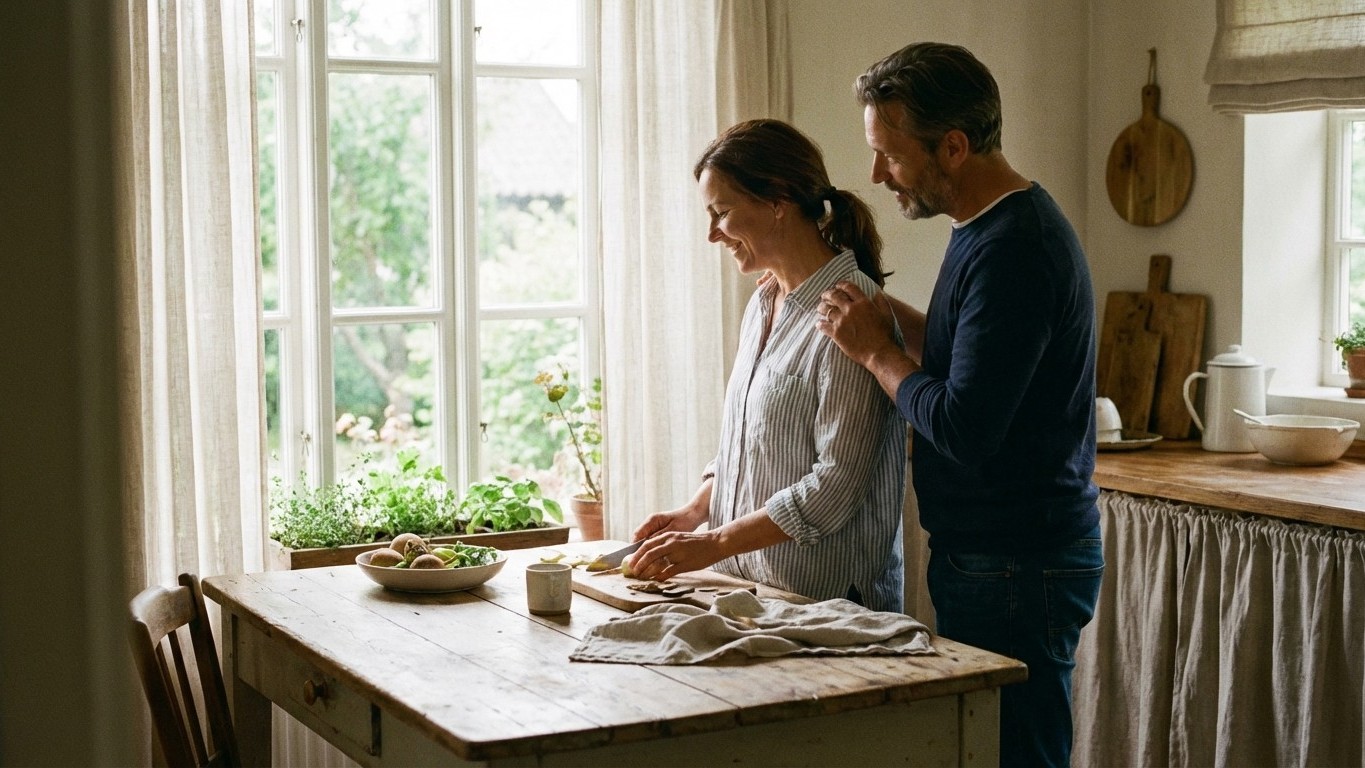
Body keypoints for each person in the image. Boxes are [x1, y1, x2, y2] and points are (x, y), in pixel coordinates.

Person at [816, 43, 1104, 767]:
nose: (878, 175)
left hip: (1016, 563)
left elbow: (964, 427)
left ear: (953, 145)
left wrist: (875, 353)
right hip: (1000, 558)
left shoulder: (1015, 246)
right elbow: (963, 352)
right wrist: (878, 313)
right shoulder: (987, 228)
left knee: (1015, 755)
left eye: (889, 154)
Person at [626, 118, 908, 613]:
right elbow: (752, 443)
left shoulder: (852, 313)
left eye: (723, 212)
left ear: (778, 202)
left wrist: (714, 544)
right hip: (750, 597)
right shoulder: (762, 303)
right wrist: (697, 510)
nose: (713, 233)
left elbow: (834, 488)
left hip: (828, 610)